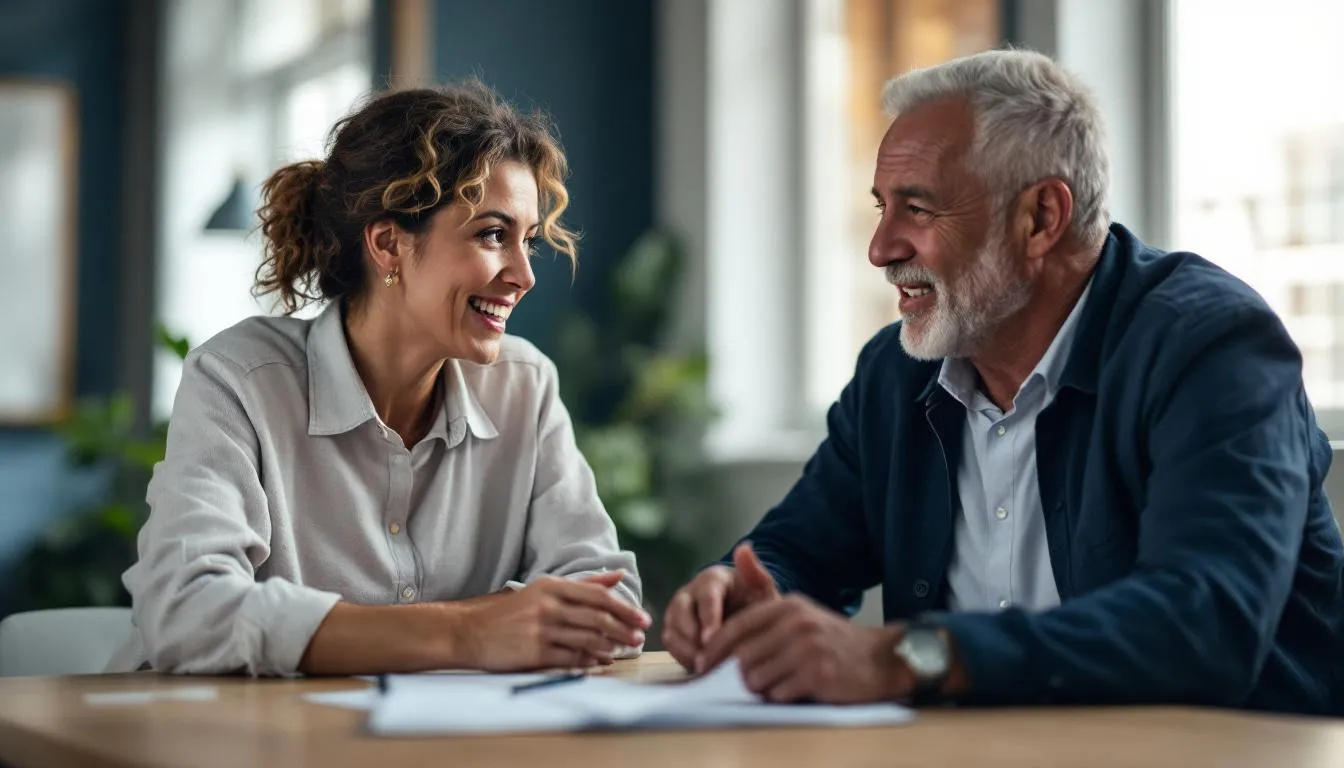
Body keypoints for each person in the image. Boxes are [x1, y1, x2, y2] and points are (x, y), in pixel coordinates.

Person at [663, 49, 1344, 714]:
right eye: (881, 207)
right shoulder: (895, 374)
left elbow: (1204, 622)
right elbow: (795, 549)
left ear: (1041, 217)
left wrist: (904, 658)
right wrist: (736, 592)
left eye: (918, 209)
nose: (881, 248)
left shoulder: (1211, 349)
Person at [108, 81, 649, 676]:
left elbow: (612, 603)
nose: (524, 275)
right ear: (389, 243)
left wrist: (494, 627)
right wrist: (466, 631)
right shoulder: (241, 380)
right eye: (493, 235)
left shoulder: (526, 387)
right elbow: (185, 612)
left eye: (529, 242)